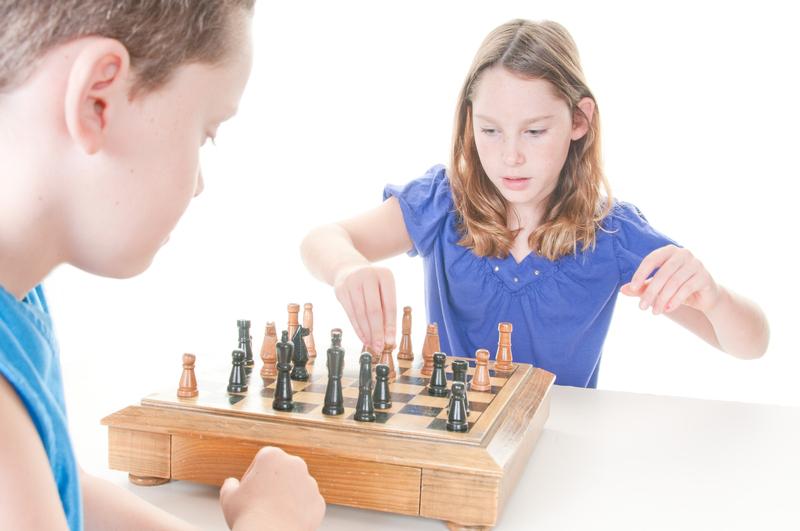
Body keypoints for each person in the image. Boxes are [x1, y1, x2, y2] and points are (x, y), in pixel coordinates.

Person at [300, 19, 769, 388]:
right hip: (453, 448)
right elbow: (323, 239)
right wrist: (346, 269)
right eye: (490, 130)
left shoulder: (611, 233)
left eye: (535, 130)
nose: (510, 156)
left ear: (579, 121)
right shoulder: (443, 202)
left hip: (555, 463)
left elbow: (750, 345)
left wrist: (716, 297)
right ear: (469, 121)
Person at [0, 1, 325, 530]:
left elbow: (60, 488)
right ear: (97, 101)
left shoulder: (18, 293)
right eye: (207, 132)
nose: (199, 184)